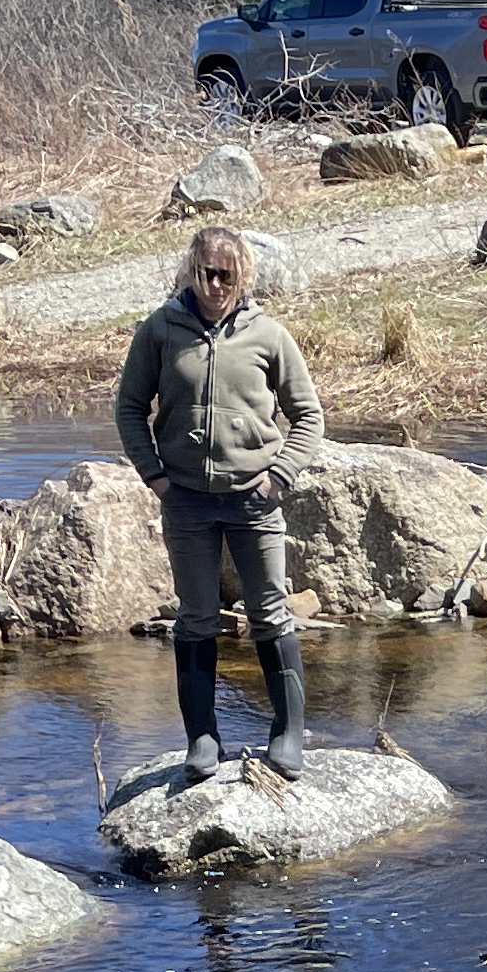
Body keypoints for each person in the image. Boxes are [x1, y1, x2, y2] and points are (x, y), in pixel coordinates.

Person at [116, 225, 325, 786]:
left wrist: (278, 476)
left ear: (243, 276)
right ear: (192, 270)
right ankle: (202, 739)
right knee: (196, 619)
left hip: (254, 502)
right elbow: (130, 408)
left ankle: (287, 734)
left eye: (225, 274)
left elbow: (308, 416)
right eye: (205, 272)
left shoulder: (269, 335)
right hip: (186, 503)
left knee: (270, 613)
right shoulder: (160, 331)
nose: (213, 284)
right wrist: (155, 477)